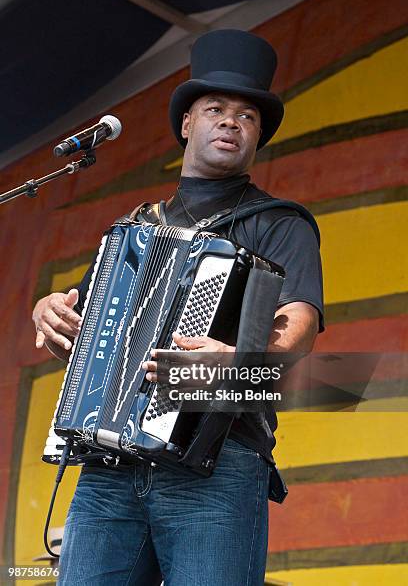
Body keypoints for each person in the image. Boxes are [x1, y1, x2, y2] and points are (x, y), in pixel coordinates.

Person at [33, 29, 323, 586]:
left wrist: (239, 362)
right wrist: (49, 314)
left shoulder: (282, 223)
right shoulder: (133, 232)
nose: (232, 121)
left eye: (248, 116)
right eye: (215, 108)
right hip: (106, 469)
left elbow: (300, 328)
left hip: (216, 467)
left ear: (257, 136)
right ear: (187, 124)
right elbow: (82, 338)